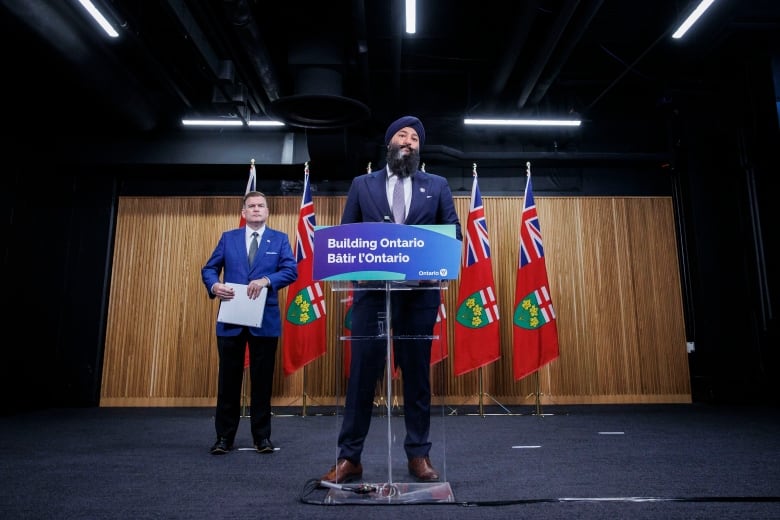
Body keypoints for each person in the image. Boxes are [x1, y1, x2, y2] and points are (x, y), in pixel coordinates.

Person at [321, 116, 462, 484]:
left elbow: (452, 233)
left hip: (420, 295)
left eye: (416, 137)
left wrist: (428, 258)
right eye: (403, 134)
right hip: (372, 294)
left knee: (416, 376)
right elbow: (348, 235)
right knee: (363, 376)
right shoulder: (361, 185)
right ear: (389, 143)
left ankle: (419, 455)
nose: (409, 140)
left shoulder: (438, 185)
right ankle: (349, 458)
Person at [201, 190, 297, 455]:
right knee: (228, 381)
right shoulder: (228, 238)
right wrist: (215, 285)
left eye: (261, 206)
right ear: (244, 213)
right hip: (231, 318)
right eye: (251, 206)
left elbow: (291, 270)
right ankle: (224, 438)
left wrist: (267, 281)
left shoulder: (279, 239)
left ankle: (262, 438)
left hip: (264, 320)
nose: (256, 209)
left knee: (262, 382)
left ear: (267, 211)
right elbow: (209, 269)